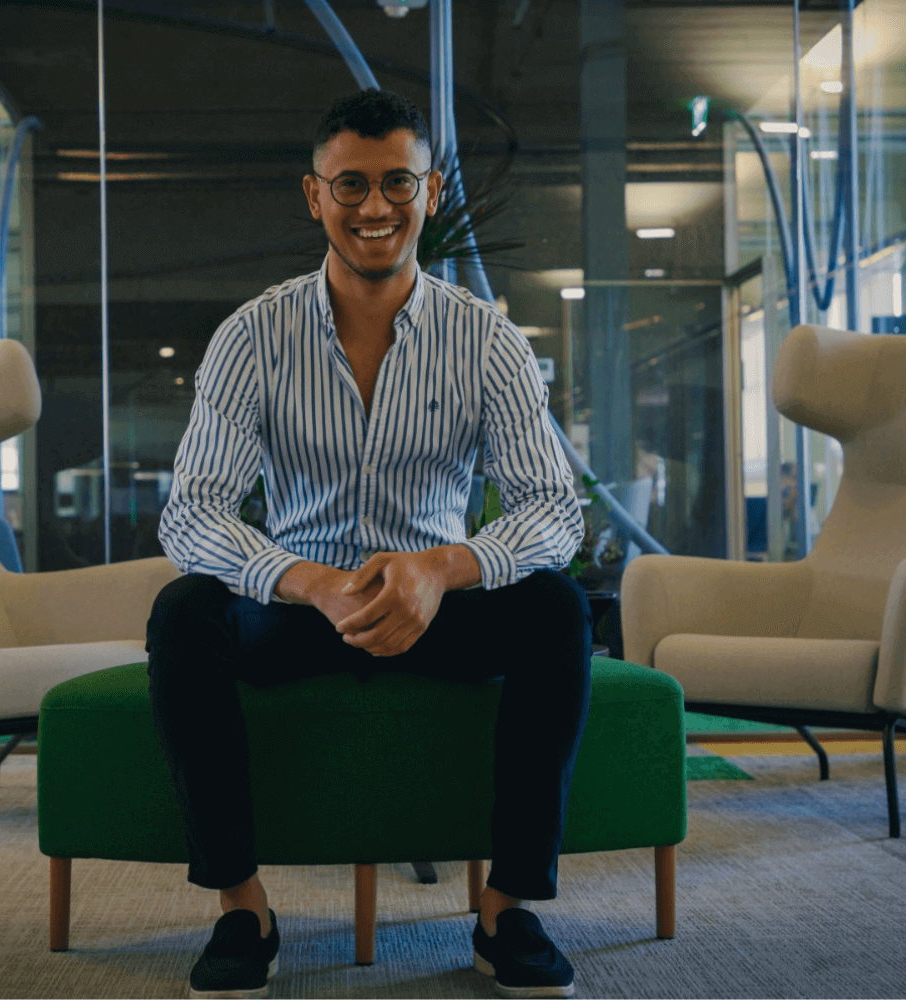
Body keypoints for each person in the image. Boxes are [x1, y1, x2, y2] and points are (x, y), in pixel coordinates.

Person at [153, 88, 592, 1000]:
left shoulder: (487, 342)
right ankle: (243, 908)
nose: (376, 206)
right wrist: (307, 581)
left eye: (398, 181)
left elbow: (554, 506)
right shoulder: (252, 337)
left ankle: (507, 910)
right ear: (313, 196)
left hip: (438, 606)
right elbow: (190, 511)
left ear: (430, 191)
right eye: (349, 184)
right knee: (184, 609)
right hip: (300, 605)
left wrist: (441, 568)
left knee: (557, 605)